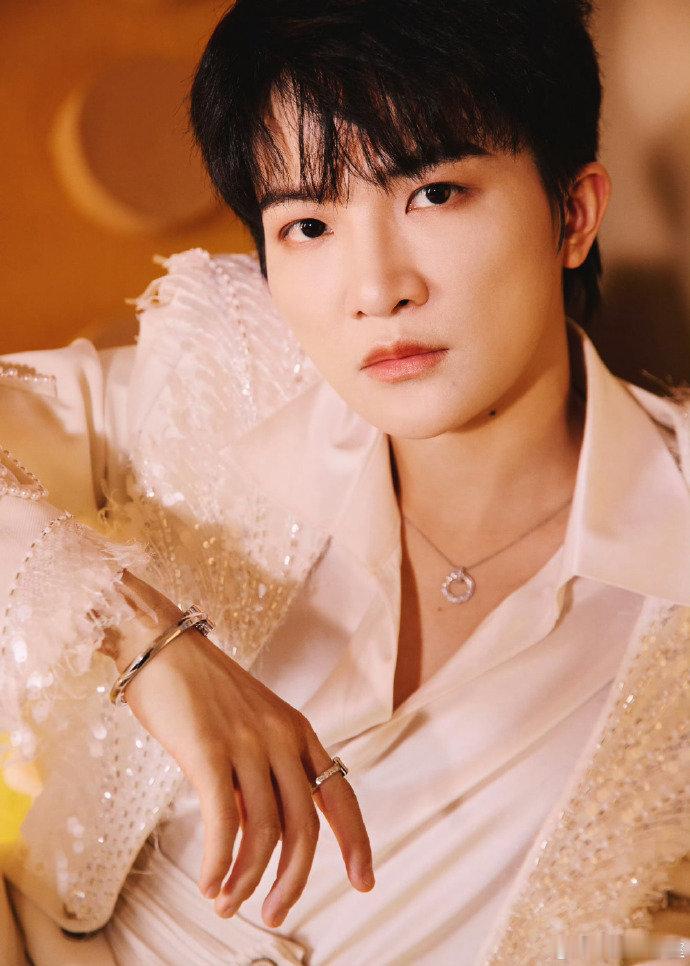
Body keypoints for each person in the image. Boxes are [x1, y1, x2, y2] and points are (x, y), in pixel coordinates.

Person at [1, 0, 690, 963]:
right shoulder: (219, 376)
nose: (376, 288)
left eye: (435, 194)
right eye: (309, 223)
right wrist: (144, 641)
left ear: (572, 215)